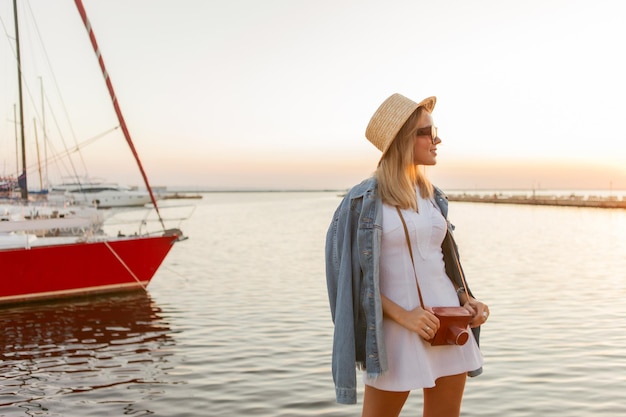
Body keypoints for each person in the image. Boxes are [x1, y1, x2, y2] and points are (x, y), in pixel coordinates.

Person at [325, 93, 489, 417]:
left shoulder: (433, 197)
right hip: (396, 333)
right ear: (403, 139)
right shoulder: (362, 202)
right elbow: (352, 282)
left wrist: (467, 299)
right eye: (427, 131)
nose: (437, 138)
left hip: (448, 325)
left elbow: (441, 264)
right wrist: (405, 316)